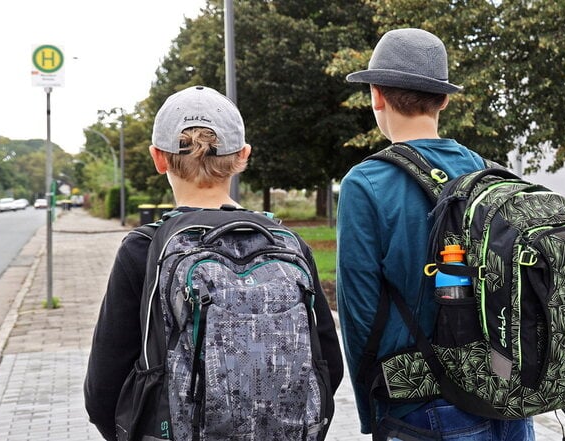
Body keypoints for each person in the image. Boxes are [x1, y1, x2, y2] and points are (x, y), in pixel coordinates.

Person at [84, 85, 344, 440]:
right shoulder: (287, 243)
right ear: (243, 156)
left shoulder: (144, 248)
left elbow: (102, 389)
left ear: (158, 158)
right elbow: (328, 363)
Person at [336, 28, 535, 440]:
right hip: (507, 395)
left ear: (376, 94)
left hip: (422, 405)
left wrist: (371, 412)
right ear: (444, 98)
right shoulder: (488, 171)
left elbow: (358, 314)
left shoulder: (365, 183)